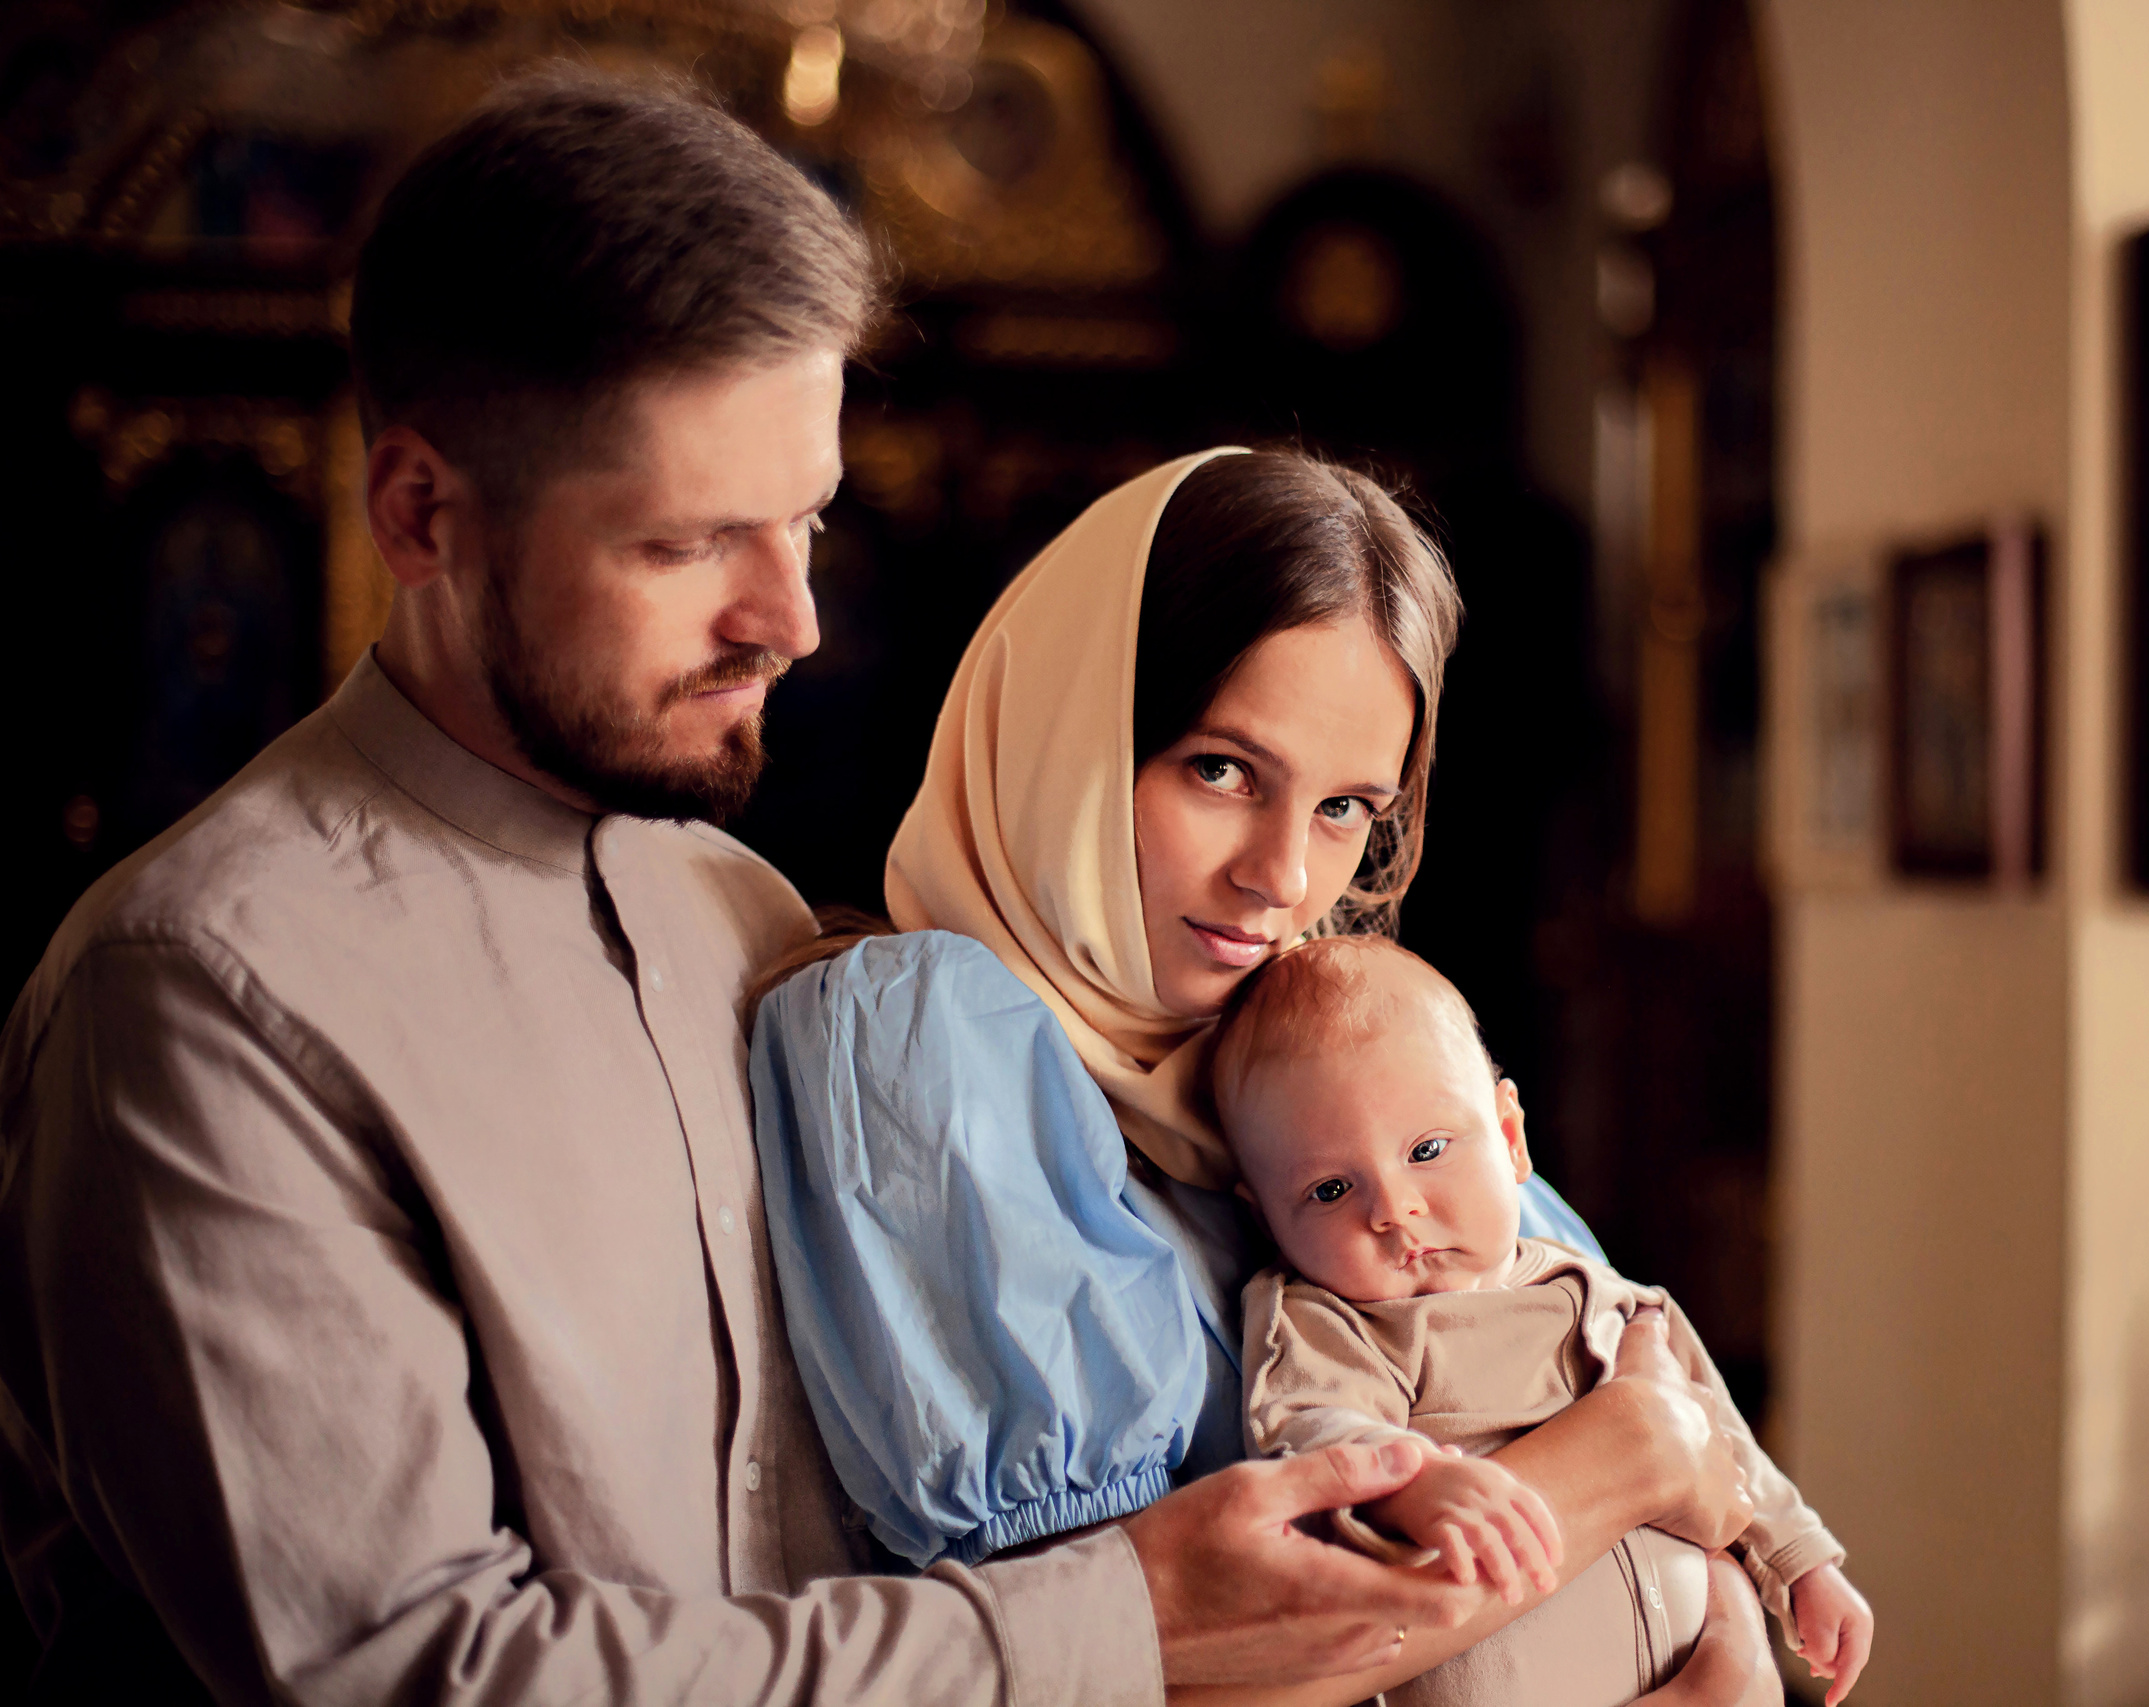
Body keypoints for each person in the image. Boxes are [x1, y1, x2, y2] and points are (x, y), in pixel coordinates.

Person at [0, 78, 1598, 1705]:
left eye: (808, 521)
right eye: (690, 542)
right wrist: (1131, 1617)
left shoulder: (747, 919)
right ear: (422, 514)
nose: (794, 619)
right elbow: (421, 1674)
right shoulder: (205, 996)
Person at [752, 447, 1766, 1700]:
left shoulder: (1330, 1054)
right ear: (1069, 734)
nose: (1282, 879)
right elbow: (1120, 1664)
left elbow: (1687, 1456)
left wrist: (1728, 1631)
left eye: (1345, 809)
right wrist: (1627, 1459)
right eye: (1221, 770)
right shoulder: (922, 1039)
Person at [1217, 934, 1875, 1707]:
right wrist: (1415, 1483)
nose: (1394, 1208)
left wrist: (1802, 1563)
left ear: (1510, 1137)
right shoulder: (1331, 1323)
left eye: (1427, 1148)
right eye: (1330, 1189)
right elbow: (1315, 1432)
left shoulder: (1604, 1294)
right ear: (1265, 1218)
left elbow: (1721, 1440)